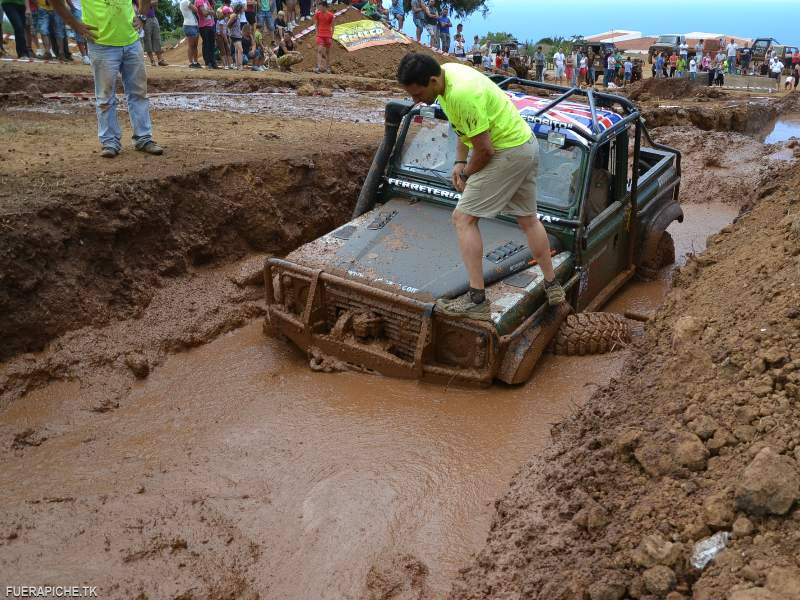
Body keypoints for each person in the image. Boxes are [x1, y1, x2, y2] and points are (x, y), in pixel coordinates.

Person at [395, 53, 566, 320]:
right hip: (524, 144)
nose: (416, 101)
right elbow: (465, 129)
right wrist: (459, 160)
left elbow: (485, 150)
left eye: (418, 94)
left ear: (431, 80)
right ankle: (552, 284)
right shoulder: (448, 74)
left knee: (463, 218)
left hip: (505, 152)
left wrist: (466, 173)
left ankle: (477, 300)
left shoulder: (461, 95)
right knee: (528, 220)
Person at [50, 0, 162, 157]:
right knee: (105, 96)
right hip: (101, 43)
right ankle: (110, 142)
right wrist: (75, 24)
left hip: (131, 41)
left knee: (138, 92)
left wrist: (142, 16)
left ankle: (143, 138)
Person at [195, 0, 217, 68]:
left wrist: (209, 11)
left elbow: (213, 13)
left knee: (212, 45)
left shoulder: (206, 1)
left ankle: (213, 62)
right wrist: (210, 11)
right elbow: (204, 13)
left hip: (211, 25)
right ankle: (208, 62)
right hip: (204, 26)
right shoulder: (199, 1)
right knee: (206, 44)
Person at [313, 0, 333, 73]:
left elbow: (333, 26)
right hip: (320, 35)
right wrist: (317, 33)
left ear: (324, 6)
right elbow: (316, 24)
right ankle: (318, 67)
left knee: (328, 52)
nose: (319, 7)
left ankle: (328, 67)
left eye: (320, 6)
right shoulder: (317, 14)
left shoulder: (330, 15)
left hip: (328, 35)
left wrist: (331, 36)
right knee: (319, 50)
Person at [178, 0, 200, 67]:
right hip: (189, 25)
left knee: (194, 45)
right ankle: (191, 62)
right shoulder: (186, 1)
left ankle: (195, 62)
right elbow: (196, 10)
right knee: (191, 45)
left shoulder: (185, 2)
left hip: (193, 24)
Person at [228, 2, 244, 69]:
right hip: (234, 35)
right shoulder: (234, 15)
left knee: (237, 50)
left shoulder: (237, 16)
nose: (243, 10)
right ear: (239, 9)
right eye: (242, 8)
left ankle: (238, 66)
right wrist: (232, 31)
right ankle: (240, 66)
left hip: (237, 35)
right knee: (240, 50)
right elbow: (228, 24)